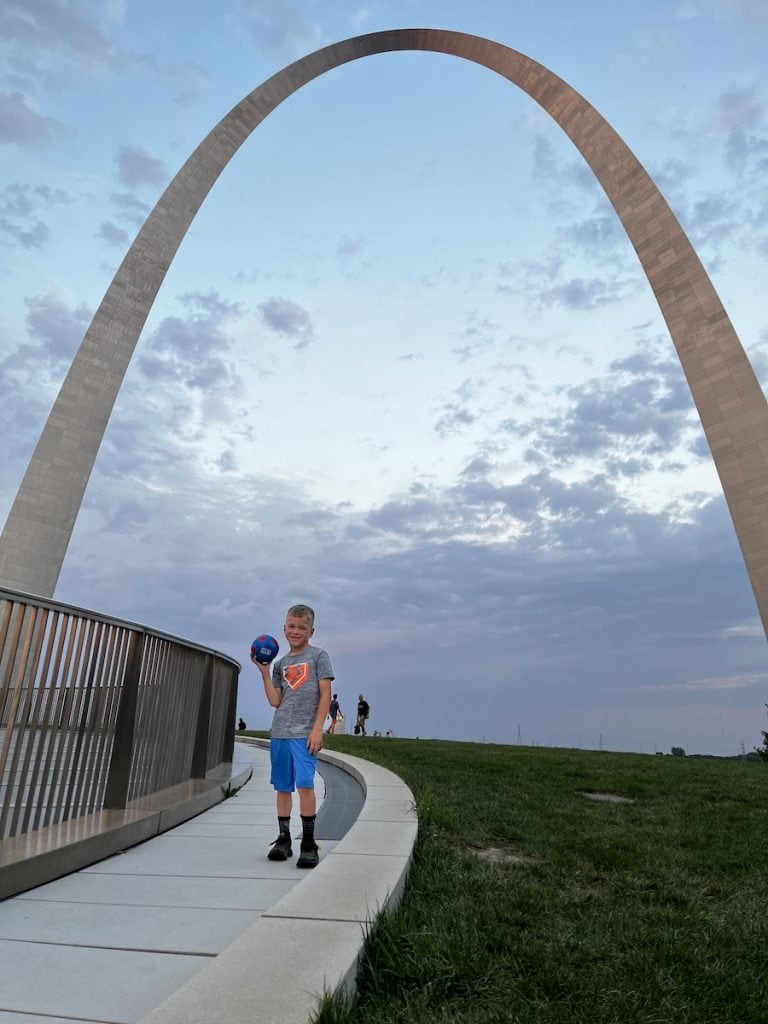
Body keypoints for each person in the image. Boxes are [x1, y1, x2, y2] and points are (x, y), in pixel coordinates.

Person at [252, 603, 333, 869]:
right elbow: (276, 700)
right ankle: (283, 839)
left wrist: (316, 729)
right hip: (281, 733)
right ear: (284, 628)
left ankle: (308, 843)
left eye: (302, 627)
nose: (295, 631)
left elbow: (325, 695)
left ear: (311, 630)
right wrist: (265, 673)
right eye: (291, 626)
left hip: (304, 734)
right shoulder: (281, 665)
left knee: (305, 785)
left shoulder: (319, 657)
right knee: (283, 787)